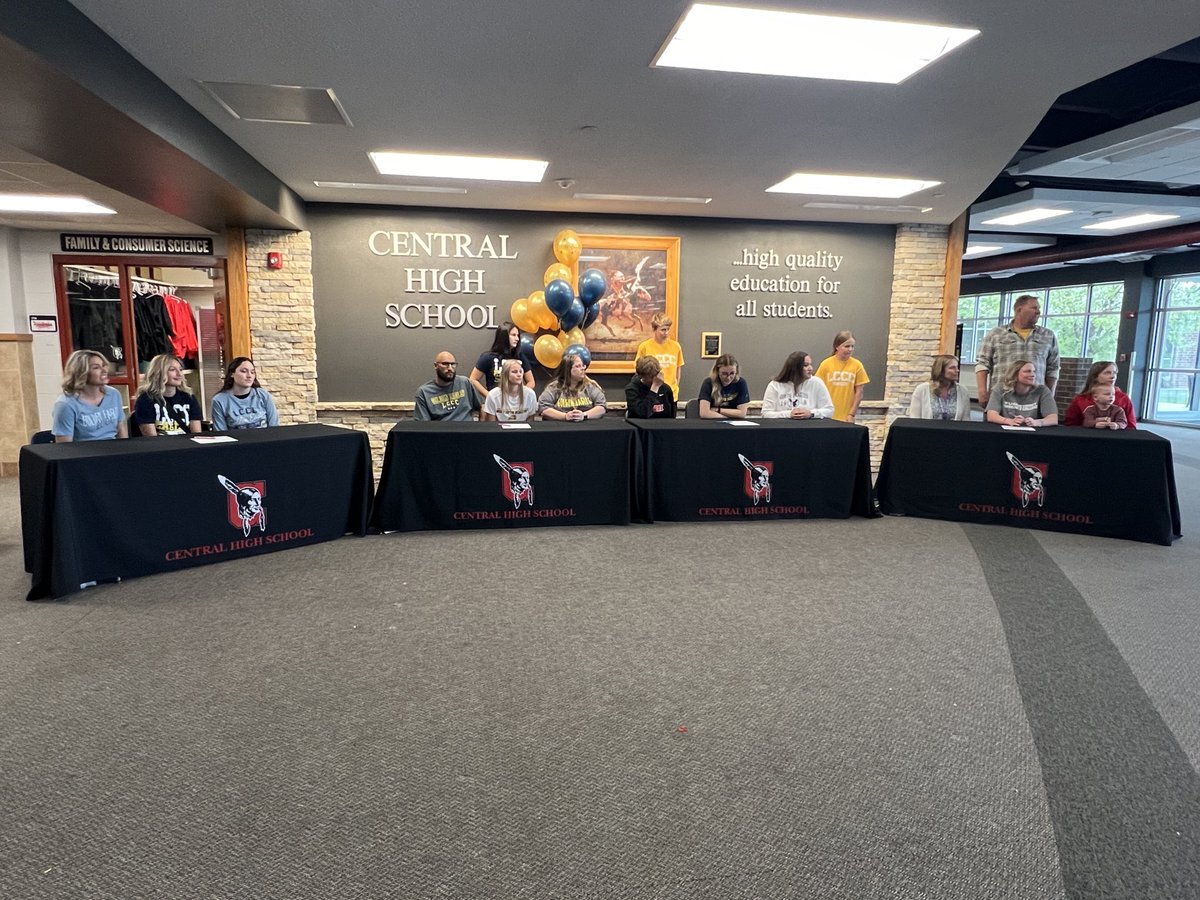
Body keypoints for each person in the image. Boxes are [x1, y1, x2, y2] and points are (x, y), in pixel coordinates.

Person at [975, 294, 1060, 403]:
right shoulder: (996, 334)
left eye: (1039, 308)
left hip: (1035, 400)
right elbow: (982, 363)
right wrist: (982, 392)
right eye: (1034, 308)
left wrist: (1050, 394)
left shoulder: (1048, 335)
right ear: (1019, 310)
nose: (1038, 312)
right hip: (1001, 398)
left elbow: (1053, 367)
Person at [50, 350, 128, 441]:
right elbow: (64, 447)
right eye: (96, 368)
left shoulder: (114, 394)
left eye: (103, 366)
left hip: (114, 450)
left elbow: (121, 430)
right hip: (84, 453)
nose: (104, 371)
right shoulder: (65, 404)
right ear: (82, 372)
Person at [134, 353, 202, 436]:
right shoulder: (145, 400)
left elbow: (197, 435)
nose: (179, 374)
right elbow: (151, 439)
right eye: (172, 369)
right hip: (161, 447)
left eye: (180, 370)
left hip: (188, 446)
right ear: (159, 373)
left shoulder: (189, 397)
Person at [468, 321, 535, 400]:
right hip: (496, 403)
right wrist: (489, 395)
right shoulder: (488, 357)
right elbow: (473, 379)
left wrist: (519, 395)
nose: (517, 339)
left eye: (517, 335)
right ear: (504, 336)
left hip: (516, 403)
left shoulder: (520, 357)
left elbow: (531, 382)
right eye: (513, 335)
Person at [211, 357, 280, 430]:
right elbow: (222, 434)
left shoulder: (263, 395)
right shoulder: (219, 400)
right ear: (232, 374)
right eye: (244, 371)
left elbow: (274, 427)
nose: (249, 376)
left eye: (252, 372)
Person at [1063, 360, 1137, 429]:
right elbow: (1071, 425)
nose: (1113, 376)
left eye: (1114, 373)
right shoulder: (1081, 399)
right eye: (1107, 373)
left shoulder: (1123, 398)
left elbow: (1131, 426)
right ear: (1095, 376)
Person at [814, 331, 870, 422]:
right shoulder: (826, 364)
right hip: (827, 416)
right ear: (837, 347)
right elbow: (817, 389)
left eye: (852, 346)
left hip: (846, 417)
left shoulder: (857, 365)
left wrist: (851, 414)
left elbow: (859, 392)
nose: (850, 349)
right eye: (847, 346)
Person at [985, 359, 1058, 427]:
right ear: (1015, 374)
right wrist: (1009, 421)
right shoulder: (1000, 389)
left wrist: (1037, 422)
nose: (1033, 374)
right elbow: (991, 415)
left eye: (1034, 371)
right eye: (1028, 371)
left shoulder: (1042, 390)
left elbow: (1053, 418)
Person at [761, 350, 834, 419]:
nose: (810, 368)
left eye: (810, 365)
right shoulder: (774, 385)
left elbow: (829, 410)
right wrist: (789, 414)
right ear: (794, 368)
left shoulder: (817, 383)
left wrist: (811, 413)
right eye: (805, 365)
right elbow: (766, 413)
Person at [538, 352, 607, 420]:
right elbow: (544, 408)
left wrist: (584, 415)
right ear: (567, 370)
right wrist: (565, 416)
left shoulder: (590, 386)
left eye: (583, 365)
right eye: (578, 366)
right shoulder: (554, 387)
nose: (582, 368)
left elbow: (601, 407)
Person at [414, 351, 479, 421]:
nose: (450, 368)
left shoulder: (465, 383)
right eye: (445, 364)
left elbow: (482, 406)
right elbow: (423, 425)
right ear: (436, 366)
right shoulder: (424, 392)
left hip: (467, 429)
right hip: (441, 431)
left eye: (453, 364)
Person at [635, 313, 684, 399]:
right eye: (663, 330)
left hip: (671, 394)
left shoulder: (676, 346)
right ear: (654, 329)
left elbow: (678, 370)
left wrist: (675, 387)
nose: (666, 333)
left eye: (668, 329)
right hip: (651, 392)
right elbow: (638, 371)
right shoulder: (644, 346)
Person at [907, 354, 971, 421]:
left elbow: (966, 421)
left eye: (957, 367)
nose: (957, 370)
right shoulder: (922, 390)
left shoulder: (963, 391)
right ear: (941, 371)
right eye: (952, 368)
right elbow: (914, 419)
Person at [482, 357, 538, 422]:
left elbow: (530, 422)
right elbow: (491, 425)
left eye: (520, 371)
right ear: (505, 374)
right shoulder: (493, 395)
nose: (519, 375)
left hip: (522, 431)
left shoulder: (530, 394)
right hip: (500, 430)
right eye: (514, 372)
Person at [697, 354, 750, 419]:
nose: (728, 377)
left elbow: (742, 413)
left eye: (732, 373)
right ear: (717, 372)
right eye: (724, 374)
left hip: (733, 424)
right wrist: (726, 419)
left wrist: (718, 410)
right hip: (713, 422)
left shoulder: (741, 383)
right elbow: (704, 413)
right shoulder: (708, 383)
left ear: (736, 372)